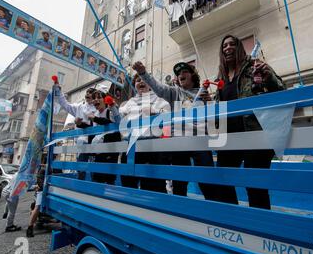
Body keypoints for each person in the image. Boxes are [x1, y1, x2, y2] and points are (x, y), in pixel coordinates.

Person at [213, 35, 285, 209]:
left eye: (232, 44)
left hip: (255, 133)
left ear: (239, 48)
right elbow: (219, 106)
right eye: (224, 46)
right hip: (228, 138)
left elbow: (280, 89)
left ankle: (260, 228)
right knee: (223, 181)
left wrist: (268, 78)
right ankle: (233, 221)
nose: (227, 48)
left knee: (255, 187)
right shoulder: (221, 77)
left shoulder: (254, 66)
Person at [132, 61, 215, 198]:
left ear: (193, 75)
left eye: (184, 71)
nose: (180, 74)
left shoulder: (203, 93)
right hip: (179, 141)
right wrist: (143, 73)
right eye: (178, 73)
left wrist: (210, 103)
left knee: (207, 178)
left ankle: (215, 209)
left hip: (200, 140)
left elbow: (214, 121)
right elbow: (158, 88)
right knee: (179, 181)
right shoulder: (174, 92)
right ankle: (179, 206)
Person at [119, 74, 171, 193]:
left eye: (144, 80)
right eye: (137, 80)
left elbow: (167, 112)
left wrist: (154, 111)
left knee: (153, 185)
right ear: (135, 85)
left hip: (153, 147)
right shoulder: (130, 102)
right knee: (128, 182)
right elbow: (119, 114)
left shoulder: (159, 99)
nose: (141, 82)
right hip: (132, 146)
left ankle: (154, 209)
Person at [76, 90, 122, 185]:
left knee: (109, 179)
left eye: (99, 97)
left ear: (104, 100)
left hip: (109, 152)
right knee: (96, 178)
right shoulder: (95, 114)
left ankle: (108, 198)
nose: (96, 100)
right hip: (96, 152)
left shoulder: (110, 111)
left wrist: (95, 119)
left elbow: (111, 123)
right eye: (94, 98)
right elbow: (93, 128)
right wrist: (80, 124)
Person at [55, 83, 98, 180]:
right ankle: (81, 182)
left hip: (95, 142)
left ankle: (94, 185)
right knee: (81, 165)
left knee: (94, 167)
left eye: (91, 93)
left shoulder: (98, 108)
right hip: (82, 142)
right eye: (87, 92)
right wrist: (60, 93)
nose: (88, 94)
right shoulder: (79, 107)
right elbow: (65, 105)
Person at [26, 168, 45, 238]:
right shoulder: (43, 170)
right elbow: (40, 183)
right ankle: (30, 228)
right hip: (41, 191)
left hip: (42, 191)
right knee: (37, 208)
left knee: (36, 208)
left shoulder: (45, 169)